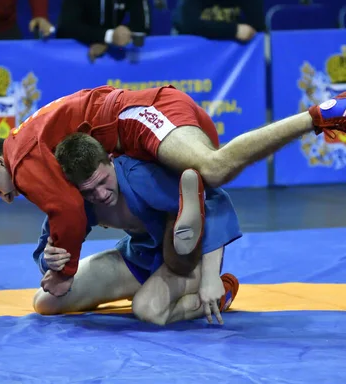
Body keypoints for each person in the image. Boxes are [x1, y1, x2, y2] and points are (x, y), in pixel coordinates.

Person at [0, 86, 346, 296]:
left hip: (137, 117)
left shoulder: (20, 157)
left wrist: (64, 270)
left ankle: (326, 114)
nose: (7, 197)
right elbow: (63, 215)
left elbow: (68, 212)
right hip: (134, 134)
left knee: (211, 169)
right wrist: (49, 259)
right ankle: (196, 282)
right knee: (180, 196)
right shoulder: (31, 146)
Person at [32, 132, 242, 325]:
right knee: (45, 302)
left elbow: (214, 200)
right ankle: (150, 288)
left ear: (111, 160)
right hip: (141, 256)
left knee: (149, 311)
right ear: (74, 190)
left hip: (187, 259)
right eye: (89, 191)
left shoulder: (141, 177)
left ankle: (223, 291)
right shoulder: (74, 203)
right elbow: (45, 249)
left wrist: (211, 275)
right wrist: (49, 260)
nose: (102, 195)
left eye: (104, 181)